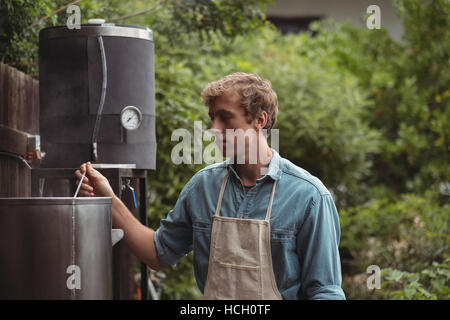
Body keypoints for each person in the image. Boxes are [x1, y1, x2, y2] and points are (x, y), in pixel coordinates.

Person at [75, 72, 346, 300]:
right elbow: (159, 254)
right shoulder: (203, 187)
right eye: (212, 118)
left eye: (225, 118)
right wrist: (109, 199)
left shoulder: (309, 196)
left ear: (260, 121)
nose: (214, 129)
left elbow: (325, 292)